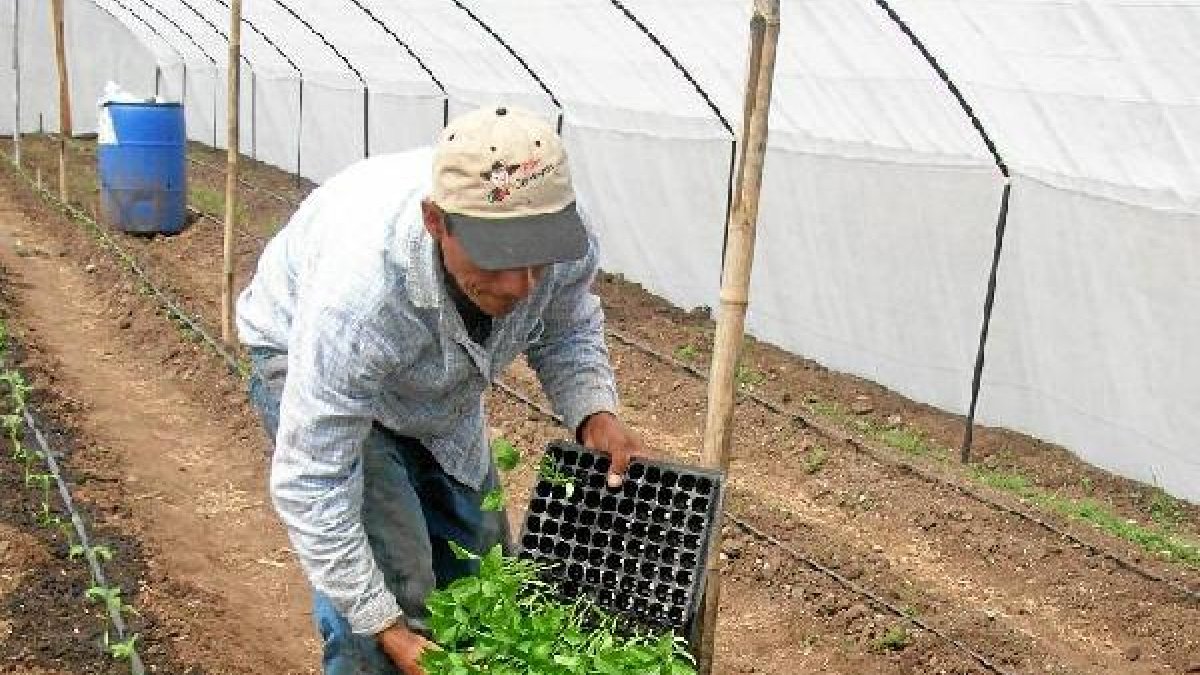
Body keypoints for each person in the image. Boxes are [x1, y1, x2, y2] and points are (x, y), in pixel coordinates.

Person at [236, 105, 646, 675]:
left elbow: (567, 324)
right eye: (497, 259)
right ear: (436, 221)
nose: (520, 286)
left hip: (436, 389)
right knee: (392, 605)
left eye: (536, 261)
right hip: (312, 363)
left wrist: (593, 411)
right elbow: (314, 479)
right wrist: (387, 629)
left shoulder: (562, 239)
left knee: (485, 583)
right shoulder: (359, 300)